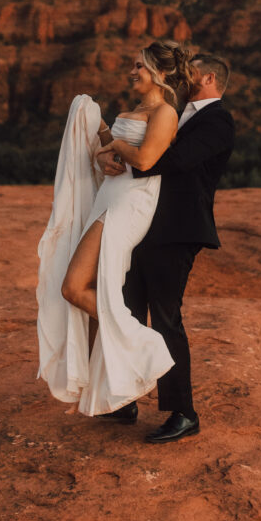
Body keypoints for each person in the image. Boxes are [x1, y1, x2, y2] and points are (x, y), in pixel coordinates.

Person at [36, 40, 195, 417]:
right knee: (88, 286)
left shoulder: (165, 113)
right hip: (110, 195)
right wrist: (103, 138)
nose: (132, 71)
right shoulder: (139, 109)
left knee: (74, 287)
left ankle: (145, 344)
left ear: (158, 72)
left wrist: (116, 146)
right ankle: (116, 379)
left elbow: (144, 158)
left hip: (130, 203)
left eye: (139, 66)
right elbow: (116, 156)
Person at [98, 53, 234, 443]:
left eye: (189, 70)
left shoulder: (218, 120)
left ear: (208, 78)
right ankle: (126, 397)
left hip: (178, 229)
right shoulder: (179, 111)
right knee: (129, 307)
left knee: (165, 316)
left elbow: (173, 161)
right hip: (147, 223)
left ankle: (183, 412)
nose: (179, 74)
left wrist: (126, 149)